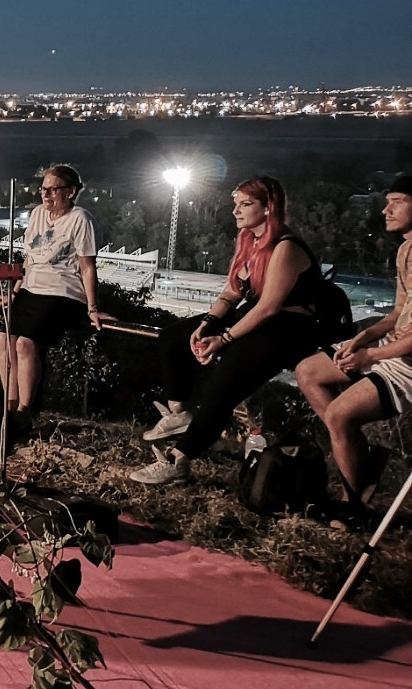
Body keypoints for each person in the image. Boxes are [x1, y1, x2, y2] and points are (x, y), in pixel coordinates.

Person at [129, 176, 325, 485]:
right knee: (173, 338)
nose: (235, 211)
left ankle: (178, 460)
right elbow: (232, 293)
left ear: (268, 208)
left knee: (222, 386)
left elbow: (268, 307)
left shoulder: (285, 246)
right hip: (255, 317)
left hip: (287, 328)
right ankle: (178, 413)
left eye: (245, 204)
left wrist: (224, 338)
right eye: (235, 204)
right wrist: (206, 324)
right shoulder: (250, 241)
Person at [295, 175, 412, 513]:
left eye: (397, 201)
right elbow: (398, 313)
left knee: (339, 415)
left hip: (407, 363)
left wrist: (369, 356)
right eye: (387, 202)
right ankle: (358, 457)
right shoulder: (405, 250)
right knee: (308, 371)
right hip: (390, 347)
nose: (386, 210)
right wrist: (361, 338)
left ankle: (351, 504)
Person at [0, 165, 102, 430]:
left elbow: (87, 266)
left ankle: (25, 410)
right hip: (31, 288)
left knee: (25, 344)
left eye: (53, 189)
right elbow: (30, 257)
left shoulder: (81, 219)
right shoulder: (37, 214)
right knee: (5, 340)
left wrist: (92, 307)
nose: (45, 195)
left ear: (71, 192)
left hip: (62, 291)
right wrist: (16, 288)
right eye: (43, 189)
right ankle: (9, 404)